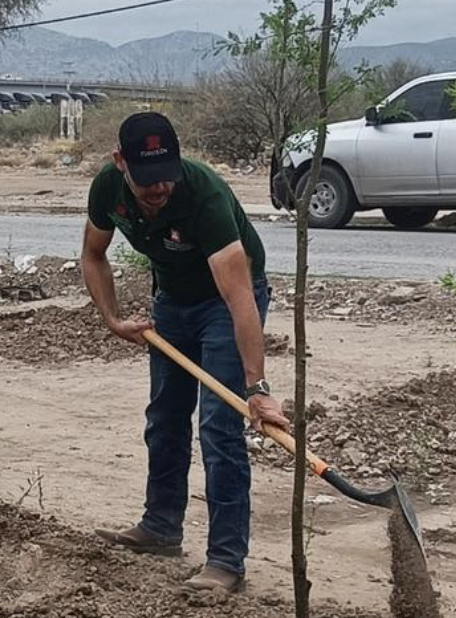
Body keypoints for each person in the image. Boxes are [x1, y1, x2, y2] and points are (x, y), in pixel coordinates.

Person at [80, 111, 290, 595]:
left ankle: (226, 560)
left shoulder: (204, 195)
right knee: (165, 417)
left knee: (219, 426)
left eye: (166, 178)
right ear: (120, 163)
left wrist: (257, 389)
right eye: (148, 180)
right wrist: (111, 319)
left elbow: (240, 299)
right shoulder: (106, 190)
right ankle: (160, 527)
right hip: (171, 303)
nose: (159, 190)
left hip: (225, 304)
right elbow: (93, 254)